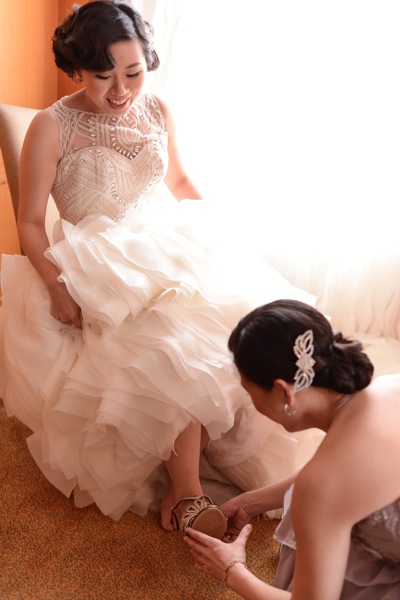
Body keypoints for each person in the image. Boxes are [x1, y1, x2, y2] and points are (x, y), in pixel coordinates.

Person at [0, 1, 317, 536]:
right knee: (171, 343)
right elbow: (30, 222)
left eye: (134, 72)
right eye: (104, 75)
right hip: (95, 260)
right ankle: (187, 490)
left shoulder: (158, 110)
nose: (121, 90)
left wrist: (221, 234)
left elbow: (180, 183)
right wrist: (55, 285)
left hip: (165, 243)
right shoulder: (51, 127)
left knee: (250, 325)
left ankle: (207, 459)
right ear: (78, 69)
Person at [184, 299, 400, 598]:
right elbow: (348, 477)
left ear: (284, 391)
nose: (253, 404)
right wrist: (250, 502)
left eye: (250, 391)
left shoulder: (322, 485)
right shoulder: (390, 386)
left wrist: (231, 569)